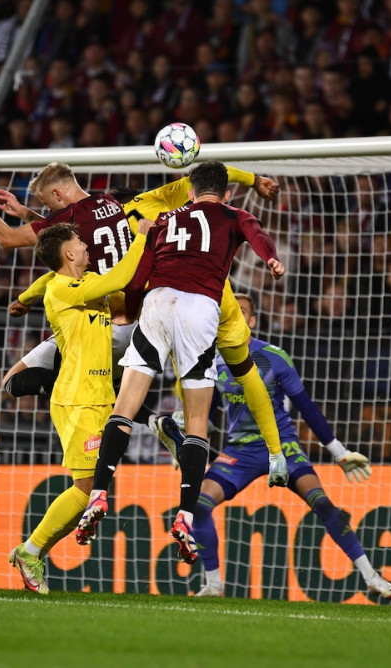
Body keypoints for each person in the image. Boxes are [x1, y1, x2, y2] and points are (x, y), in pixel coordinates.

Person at [0, 162, 288, 471]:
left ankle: (129, 425)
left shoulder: (69, 224)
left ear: (57, 194)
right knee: (221, 372)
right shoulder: (118, 204)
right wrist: (255, 180)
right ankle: (162, 423)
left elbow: (9, 239)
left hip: (100, 323)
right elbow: (202, 178)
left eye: (47, 205)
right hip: (150, 315)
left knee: (18, 382)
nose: (48, 212)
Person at [75, 161, 286, 564]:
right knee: (196, 423)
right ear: (225, 194)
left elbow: (138, 275)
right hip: (199, 307)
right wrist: (271, 259)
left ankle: (99, 492)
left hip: (157, 302)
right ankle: (186, 516)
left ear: (190, 192)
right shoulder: (234, 214)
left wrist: (131, 310)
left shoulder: (163, 220)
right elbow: (257, 235)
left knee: (126, 404)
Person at [192, 292, 391, 599]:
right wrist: (188, 446)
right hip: (240, 450)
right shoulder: (211, 360)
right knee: (199, 505)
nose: (231, 316)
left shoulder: (273, 357)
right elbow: (207, 416)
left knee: (324, 504)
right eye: (227, 312)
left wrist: (339, 453)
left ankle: (372, 577)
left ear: (252, 321)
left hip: (284, 446)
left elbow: (307, 407)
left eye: (241, 312)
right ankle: (213, 585)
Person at [6, 220, 150, 595]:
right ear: (68, 254)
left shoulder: (86, 288)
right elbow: (119, 278)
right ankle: (31, 550)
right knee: (86, 489)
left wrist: (24, 297)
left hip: (101, 396)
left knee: (92, 489)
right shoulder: (64, 289)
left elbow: (125, 288)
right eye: (80, 242)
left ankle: (32, 552)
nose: (87, 246)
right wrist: (142, 237)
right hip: (76, 400)